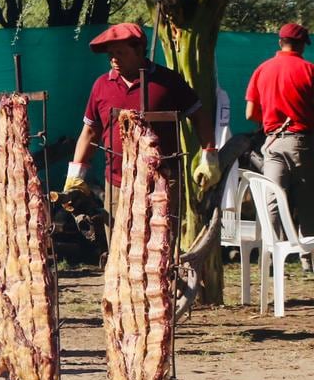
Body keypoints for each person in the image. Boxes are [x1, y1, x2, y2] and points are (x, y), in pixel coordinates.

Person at [64, 22, 219, 205]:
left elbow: (199, 116)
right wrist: (76, 173)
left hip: (162, 183)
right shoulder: (101, 85)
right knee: (116, 233)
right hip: (117, 183)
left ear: (139, 50)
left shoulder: (168, 81)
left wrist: (209, 156)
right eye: (111, 54)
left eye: (120, 53)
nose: (114, 59)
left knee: (161, 232)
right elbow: (90, 131)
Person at [244, 22, 314, 271]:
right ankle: (308, 259)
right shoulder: (309, 70)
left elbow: (250, 113)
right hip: (302, 141)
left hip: (271, 142)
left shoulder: (262, 69)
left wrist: (272, 121)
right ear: (303, 45)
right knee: (307, 199)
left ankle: (273, 254)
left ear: (280, 42)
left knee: (273, 197)